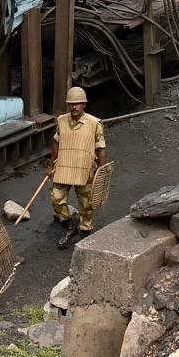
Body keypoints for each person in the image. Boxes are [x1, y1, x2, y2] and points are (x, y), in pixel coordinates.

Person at [48, 86, 108, 248]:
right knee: (56, 197)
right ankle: (69, 225)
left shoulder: (95, 123)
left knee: (86, 203)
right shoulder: (61, 120)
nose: (74, 107)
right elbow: (56, 142)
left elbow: (100, 148)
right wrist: (51, 163)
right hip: (65, 165)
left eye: (78, 104)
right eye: (71, 104)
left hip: (84, 168)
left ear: (84, 105)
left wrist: (102, 171)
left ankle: (85, 231)